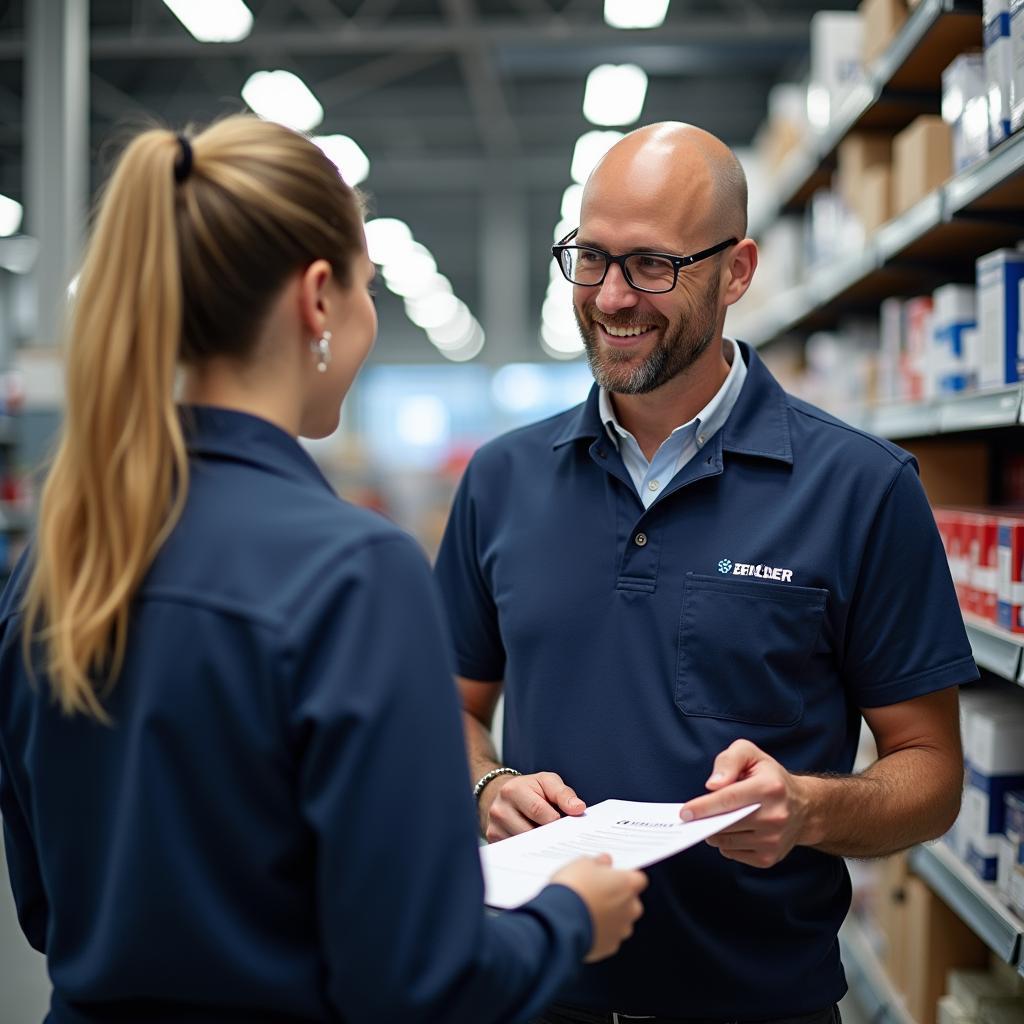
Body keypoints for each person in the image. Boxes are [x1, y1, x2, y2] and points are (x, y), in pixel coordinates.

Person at [0, 115, 648, 1024]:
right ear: (317, 299)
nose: (369, 318)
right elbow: (423, 981)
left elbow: (47, 911)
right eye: (368, 289)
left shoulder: (59, 562)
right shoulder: (351, 573)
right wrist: (568, 917)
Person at [434, 122, 976, 1024]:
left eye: (651, 265)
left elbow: (932, 775)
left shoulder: (860, 488)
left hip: (758, 1002)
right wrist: (487, 784)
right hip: (529, 990)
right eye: (590, 258)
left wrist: (805, 808)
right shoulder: (501, 479)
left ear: (737, 271)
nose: (611, 297)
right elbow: (445, 707)